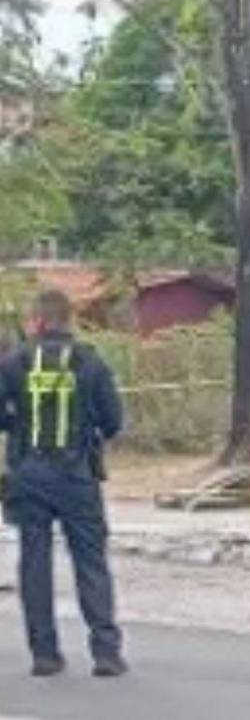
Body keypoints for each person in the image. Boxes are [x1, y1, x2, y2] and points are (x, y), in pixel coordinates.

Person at [0, 289, 127, 678]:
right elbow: (113, 421)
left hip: (28, 474)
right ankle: (105, 653)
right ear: (67, 320)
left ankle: (44, 654)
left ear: (38, 321)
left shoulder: (14, 362)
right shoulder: (90, 361)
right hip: (77, 474)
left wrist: (16, 423)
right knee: (90, 560)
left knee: (34, 561)